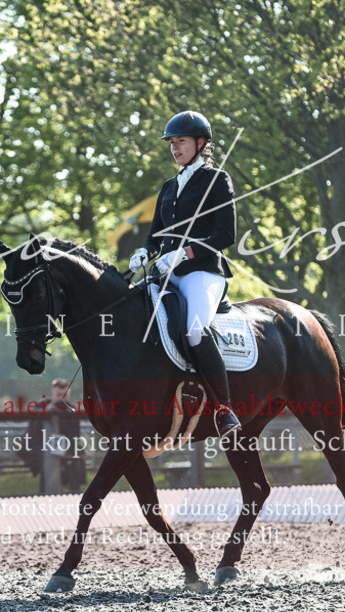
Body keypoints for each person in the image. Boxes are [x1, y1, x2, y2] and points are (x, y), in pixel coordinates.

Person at [128, 110, 241, 437]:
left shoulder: (217, 180)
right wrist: (145, 252)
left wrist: (185, 252)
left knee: (194, 331)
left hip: (202, 273)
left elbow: (226, 235)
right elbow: (156, 236)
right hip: (166, 272)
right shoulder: (168, 186)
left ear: (200, 143)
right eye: (172, 143)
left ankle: (224, 408)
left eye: (181, 142)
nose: (175, 148)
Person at [23, 378, 84, 492]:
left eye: (64, 395)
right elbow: (33, 431)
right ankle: (46, 490)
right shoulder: (42, 406)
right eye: (58, 395)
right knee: (45, 457)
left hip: (64, 445)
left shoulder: (72, 409)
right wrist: (46, 412)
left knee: (77, 452)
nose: (61, 398)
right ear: (53, 394)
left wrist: (68, 446)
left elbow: (75, 434)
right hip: (41, 444)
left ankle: (74, 488)